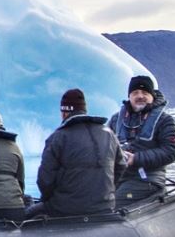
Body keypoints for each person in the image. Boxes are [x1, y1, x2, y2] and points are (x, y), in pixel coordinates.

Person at [25, 88, 119, 218]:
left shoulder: (58, 137)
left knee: (27, 215)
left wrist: (49, 201)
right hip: (104, 207)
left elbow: (44, 181)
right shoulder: (109, 134)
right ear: (84, 110)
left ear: (64, 113)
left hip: (66, 209)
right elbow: (121, 167)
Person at [109, 75, 175, 202]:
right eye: (135, 92)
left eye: (145, 92)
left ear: (152, 96)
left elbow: (171, 151)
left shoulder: (165, 120)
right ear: (129, 96)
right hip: (117, 178)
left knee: (114, 205)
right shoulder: (116, 120)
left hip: (147, 179)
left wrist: (136, 159)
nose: (140, 96)